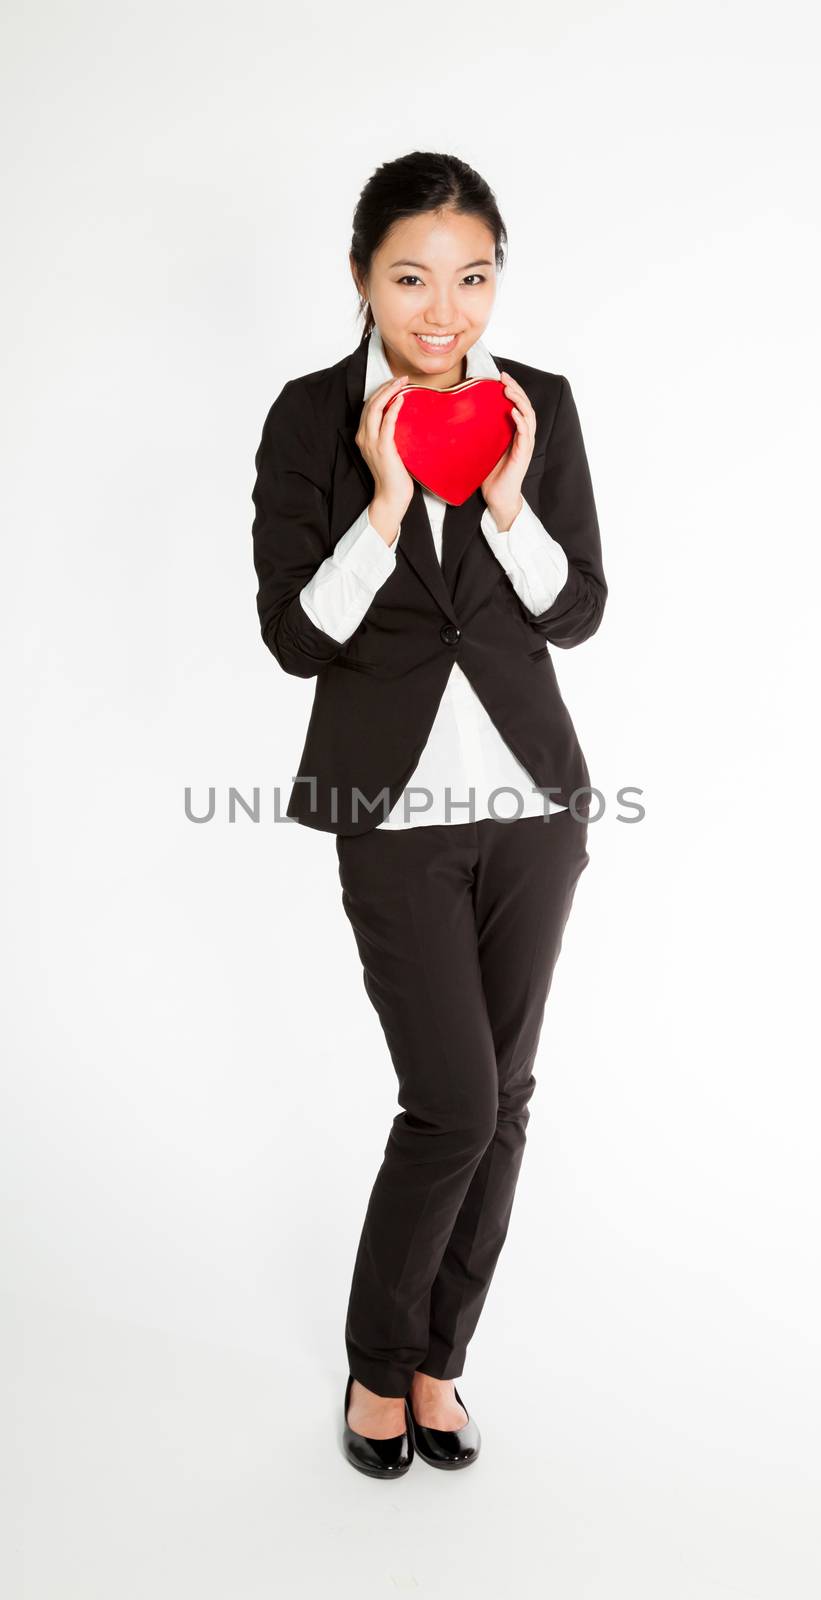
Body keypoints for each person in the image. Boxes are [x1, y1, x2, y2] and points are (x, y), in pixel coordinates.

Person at [251, 151, 607, 1477]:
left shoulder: (541, 408)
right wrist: (388, 503)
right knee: (449, 1103)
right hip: (386, 815)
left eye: (472, 277)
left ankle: (438, 1362)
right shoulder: (306, 420)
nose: (443, 311)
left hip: (535, 811)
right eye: (411, 279)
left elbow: (574, 610)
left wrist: (508, 498)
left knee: (504, 1102)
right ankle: (372, 1361)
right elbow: (295, 637)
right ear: (361, 281)